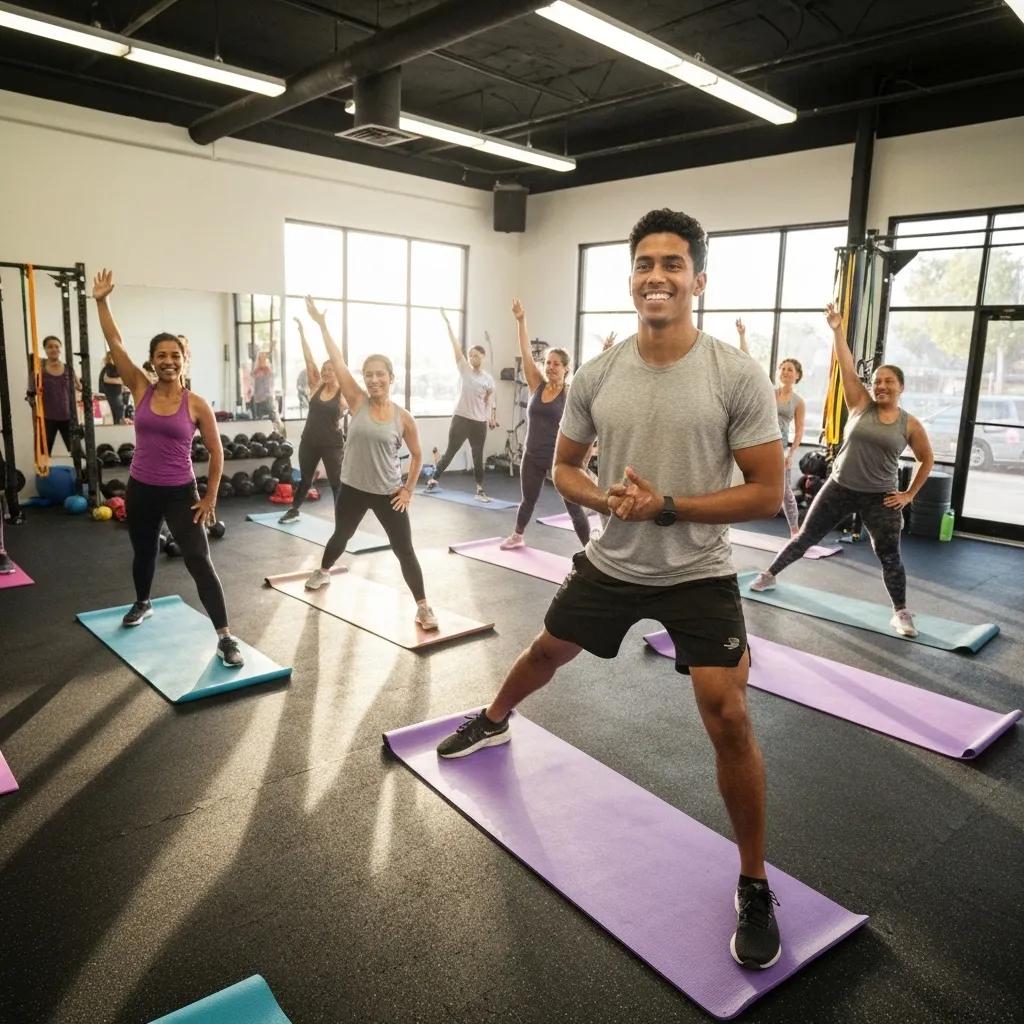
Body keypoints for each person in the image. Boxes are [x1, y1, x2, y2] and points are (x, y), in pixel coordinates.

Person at [435, 208, 785, 970]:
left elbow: (766, 494)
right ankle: (493, 718)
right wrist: (604, 502)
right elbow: (565, 468)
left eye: (671, 264)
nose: (656, 276)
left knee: (728, 715)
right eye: (644, 264)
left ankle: (754, 880)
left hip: (699, 570)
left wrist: (669, 506)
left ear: (698, 280)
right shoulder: (597, 374)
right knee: (544, 651)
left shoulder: (735, 375)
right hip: (616, 561)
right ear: (631, 278)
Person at [750, 303, 934, 637]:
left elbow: (927, 459)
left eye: (888, 382)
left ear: (901, 387)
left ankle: (902, 613)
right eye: (877, 382)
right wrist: (836, 329)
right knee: (805, 536)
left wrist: (908, 495)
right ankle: (770, 574)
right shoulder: (861, 405)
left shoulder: (911, 425)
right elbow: (847, 368)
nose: (881, 386)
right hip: (839, 486)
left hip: (880, 497)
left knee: (889, 554)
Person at [92, 269, 244, 667]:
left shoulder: (197, 404)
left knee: (198, 560)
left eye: (175, 355)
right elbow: (115, 343)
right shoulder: (140, 388)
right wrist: (102, 301)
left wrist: (210, 496)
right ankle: (143, 602)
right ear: (152, 361)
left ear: (184, 359)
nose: (168, 361)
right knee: (144, 552)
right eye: (161, 355)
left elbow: (216, 451)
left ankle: (225, 636)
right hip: (141, 487)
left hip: (181, 492)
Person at [300, 297, 438, 631]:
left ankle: (423, 607)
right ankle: (324, 570)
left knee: (404, 549)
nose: (374, 379)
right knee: (340, 537)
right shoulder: (357, 400)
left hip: (388, 493)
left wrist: (408, 490)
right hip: (353, 489)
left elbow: (418, 456)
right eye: (368, 374)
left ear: (391, 377)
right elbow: (337, 360)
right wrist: (321, 325)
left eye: (380, 374)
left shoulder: (403, 418)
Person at [500, 298, 591, 550]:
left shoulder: (571, 394)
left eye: (556, 364)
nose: (550, 367)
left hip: (559, 459)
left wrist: (584, 457)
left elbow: (593, 393)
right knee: (527, 500)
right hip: (532, 455)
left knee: (573, 506)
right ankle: (518, 535)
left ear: (566, 369)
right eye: (548, 363)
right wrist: (521, 321)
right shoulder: (536, 385)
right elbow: (527, 353)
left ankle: (588, 550)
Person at [737, 320, 805, 536]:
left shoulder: (798, 401)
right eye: (783, 369)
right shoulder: (769, 391)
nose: (785, 372)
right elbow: (750, 365)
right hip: (759, 441)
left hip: (781, 446)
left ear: (797, 375)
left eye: (790, 370)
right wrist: (742, 336)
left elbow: (800, 430)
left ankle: (795, 532)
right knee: (748, 483)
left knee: (784, 491)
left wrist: (791, 453)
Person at [278, 318, 348, 524]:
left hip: (332, 445)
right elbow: (309, 360)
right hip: (309, 442)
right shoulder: (316, 387)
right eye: (324, 369)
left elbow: (358, 409)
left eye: (331, 369)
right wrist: (301, 334)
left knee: (336, 483)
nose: (326, 372)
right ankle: (294, 509)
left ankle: (341, 518)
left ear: (338, 371)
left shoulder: (344, 394)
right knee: (305, 479)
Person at [426, 310, 496, 502]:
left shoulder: (489, 380)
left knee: (477, 455)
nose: (472, 358)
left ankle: (480, 489)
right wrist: (449, 324)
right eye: (470, 355)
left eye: (476, 355)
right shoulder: (465, 369)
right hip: (461, 418)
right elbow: (455, 347)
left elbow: (490, 400)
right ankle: (434, 478)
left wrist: (491, 418)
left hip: (479, 423)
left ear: (483, 357)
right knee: (450, 452)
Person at [26, 335, 80, 455]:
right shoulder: (39, 370)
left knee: (78, 453)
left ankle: (81, 473)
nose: (54, 349)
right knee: (43, 453)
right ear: (45, 349)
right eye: (50, 347)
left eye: (56, 346)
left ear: (60, 349)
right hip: (47, 418)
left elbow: (79, 388)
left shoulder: (68, 369)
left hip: (68, 417)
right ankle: (44, 473)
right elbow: (30, 393)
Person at [98, 351, 127, 424]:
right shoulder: (110, 367)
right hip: (113, 397)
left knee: (111, 418)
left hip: (108, 397)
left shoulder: (106, 368)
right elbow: (107, 379)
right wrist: (122, 381)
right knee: (118, 416)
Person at [251, 351, 275, 419]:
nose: (263, 360)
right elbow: (252, 383)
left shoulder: (269, 371)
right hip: (258, 399)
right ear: (258, 360)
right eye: (261, 359)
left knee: (271, 417)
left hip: (268, 398)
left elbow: (271, 384)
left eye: (264, 359)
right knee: (259, 418)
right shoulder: (255, 372)